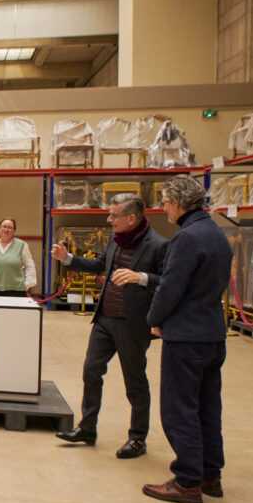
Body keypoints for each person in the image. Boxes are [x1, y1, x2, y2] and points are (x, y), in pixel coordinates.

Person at [52, 193, 167, 459]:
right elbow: (101, 265)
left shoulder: (159, 245)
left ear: (131, 218)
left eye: (114, 215)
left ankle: (138, 438)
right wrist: (68, 258)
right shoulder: (115, 239)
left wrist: (141, 278)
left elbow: (168, 283)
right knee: (91, 372)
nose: (109, 219)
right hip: (105, 319)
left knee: (134, 383)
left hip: (133, 324)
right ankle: (87, 428)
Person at [143, 176, 232, 503]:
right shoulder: (216, 234)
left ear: (178, 203)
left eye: (165, 202)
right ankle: (210, 474)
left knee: (180, 408)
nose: (164, 207)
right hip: (212, 335)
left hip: (185, 338)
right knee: (208, 407)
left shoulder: (186, 239)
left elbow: (170, 287)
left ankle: (187, 480)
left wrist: (154, 320)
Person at [0, 217, 37, 297]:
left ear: (14, 231)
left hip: (16, 291)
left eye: (10, 227)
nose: (6, 229)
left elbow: (30, 266)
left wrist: (27, 284)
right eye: (4, 226)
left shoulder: (22, 245)